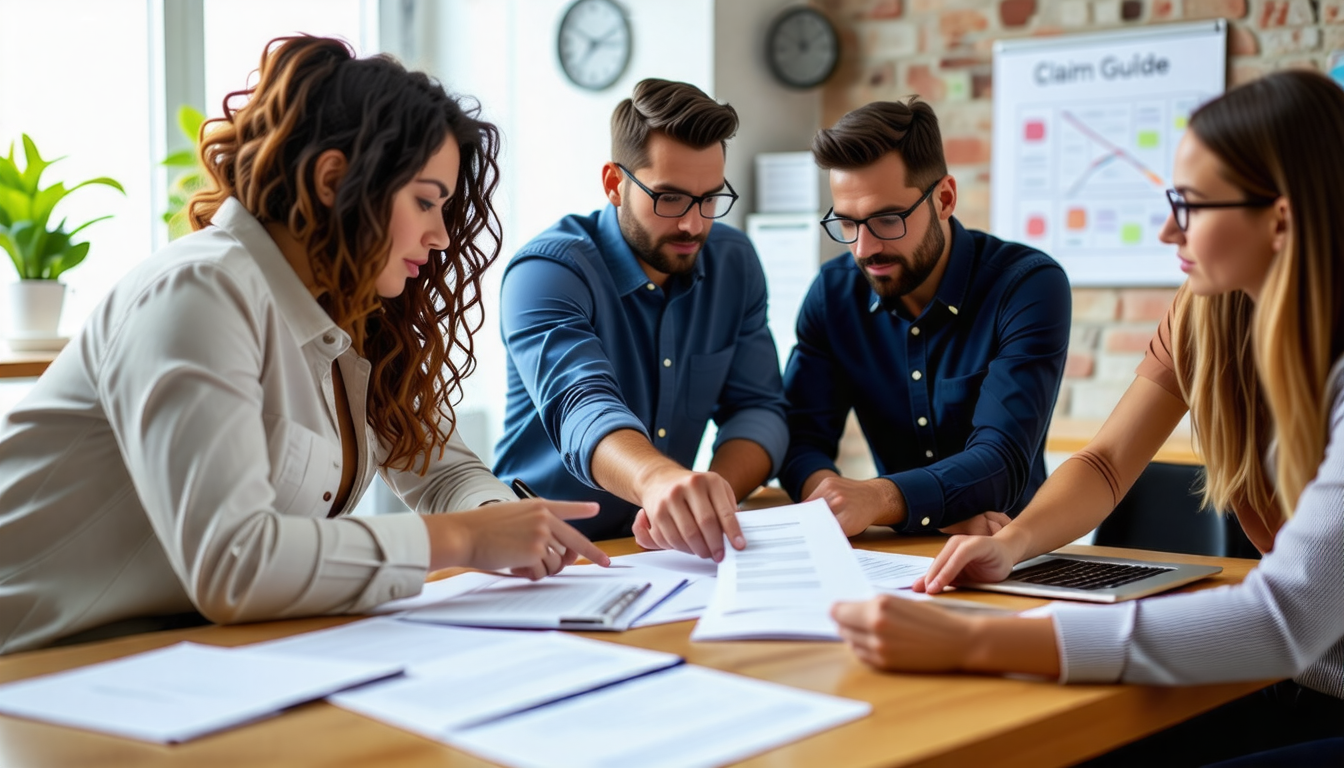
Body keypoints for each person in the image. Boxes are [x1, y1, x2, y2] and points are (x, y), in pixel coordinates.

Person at [0, 36, 607, 655]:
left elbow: (441, 467)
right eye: (425, 201)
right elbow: (235, 563)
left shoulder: (343, 317)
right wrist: (463, 539)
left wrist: (504, 524)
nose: (443, 236)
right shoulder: (199, 291)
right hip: (35, 668)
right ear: (333, 179)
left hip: (172, 659)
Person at [831, 70, 1344, 766]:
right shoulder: (1209, 314)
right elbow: (1105, 464)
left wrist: (973, 640)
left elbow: (1285, 620)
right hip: (1288, 681)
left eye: (1190, 205)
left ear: (1280, 218)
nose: (1168, 228)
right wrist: (1013, 547)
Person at [493, 78, 789, 561]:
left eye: (709, 198)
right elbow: (582, 407)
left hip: (664, 554)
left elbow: (758, 409)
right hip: (541, 557)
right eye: (669, 199)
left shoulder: (734, 262)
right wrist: (657, 480)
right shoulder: (545, 272)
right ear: (614, 184)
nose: (694, 224)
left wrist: (709, 497)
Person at [779, 98, 1071, 537]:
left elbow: (1002, 460)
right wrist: (833, 498)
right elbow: (800, 439)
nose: (863, 248)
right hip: (896, 552)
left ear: (945, 199)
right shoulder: (832, 294)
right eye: (847, 223)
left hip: (1011, 546)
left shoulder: (1027, 286)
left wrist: (878, 500)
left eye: (886, 219)